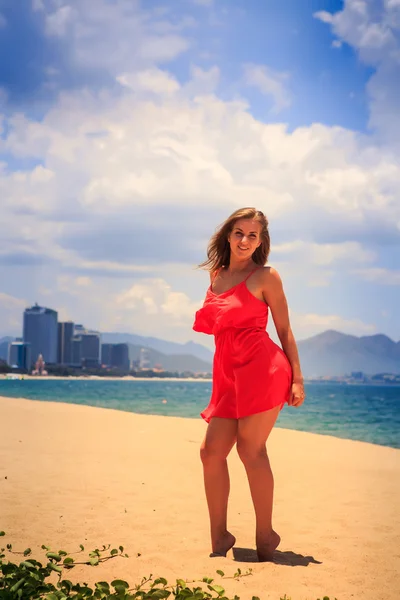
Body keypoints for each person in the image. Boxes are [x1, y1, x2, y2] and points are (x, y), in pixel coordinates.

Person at [192, 207, 305, 562]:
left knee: (250, 451)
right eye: (239, 233)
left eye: (252, 235)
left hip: (263, 369)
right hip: (228, 375)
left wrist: (298, 379)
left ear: (261, 241)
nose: (245, 240)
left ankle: (265, 535)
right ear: (228, 235)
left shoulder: (266, 276)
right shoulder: (216, 275)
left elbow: (284, 330)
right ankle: (219, 536)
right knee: (210, 453)